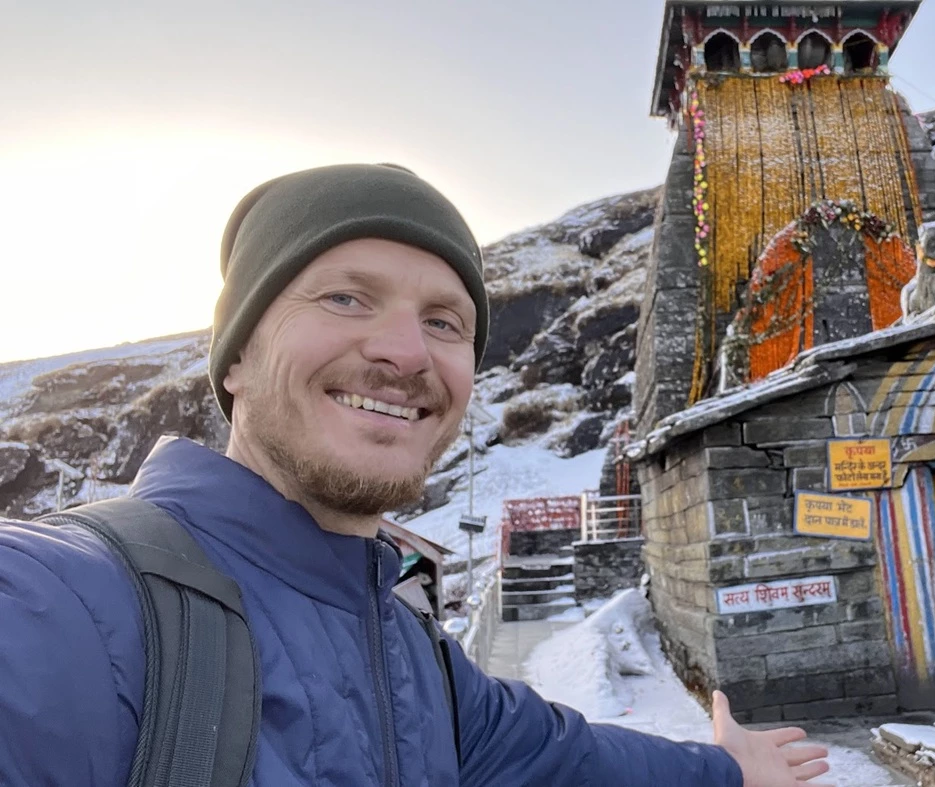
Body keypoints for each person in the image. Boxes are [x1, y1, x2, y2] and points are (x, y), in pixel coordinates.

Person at [0, 163, 832, 786]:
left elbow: (570, 758)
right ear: (237, 357)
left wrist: (730, 770)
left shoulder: (415, 660)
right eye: (345, 298)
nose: (405, 353)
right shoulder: (61, 604)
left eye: (443, 321)